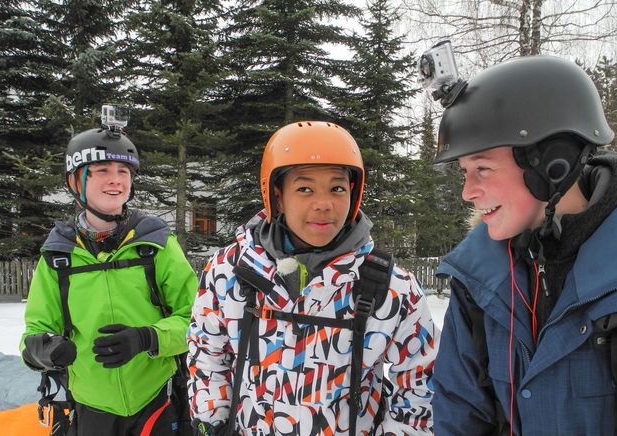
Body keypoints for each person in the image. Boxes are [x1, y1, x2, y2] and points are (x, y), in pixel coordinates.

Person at [430, 55, 617, 435]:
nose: (467, 192)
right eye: (464, 172)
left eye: (483, 169)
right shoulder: (479, 282)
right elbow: (459, 418)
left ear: (551, 165)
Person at [186, 121, 437, 435]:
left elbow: (419, 386)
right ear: (277, 196)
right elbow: (208, 355)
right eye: (305, 188)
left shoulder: (391, 287)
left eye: (337, 188)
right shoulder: (230, 270)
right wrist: (211, 423)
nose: (324, 204)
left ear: (353, 194)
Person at [20, 124, 198, 435]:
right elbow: (36, 331)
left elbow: (199, 323)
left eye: (123, 171)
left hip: (157, 400)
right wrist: (43, 351)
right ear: (76, 181)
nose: (115, 178)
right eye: (102, 170)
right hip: (91, 407)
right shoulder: (58, 257)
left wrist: (148, 338)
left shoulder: (155, 245)